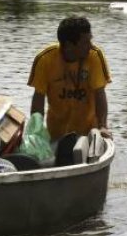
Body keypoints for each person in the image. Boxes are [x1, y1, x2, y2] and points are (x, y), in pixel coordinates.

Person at [27, 15, 112, 143]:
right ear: (69, 45)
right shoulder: (45, 59)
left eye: (90, 40)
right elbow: (38, 97)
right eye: (85, 42)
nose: (90, 46)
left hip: (88, 134)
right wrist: (37, 131)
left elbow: (100, 93)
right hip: (56, 134)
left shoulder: (95, 56)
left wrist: (102, 126)